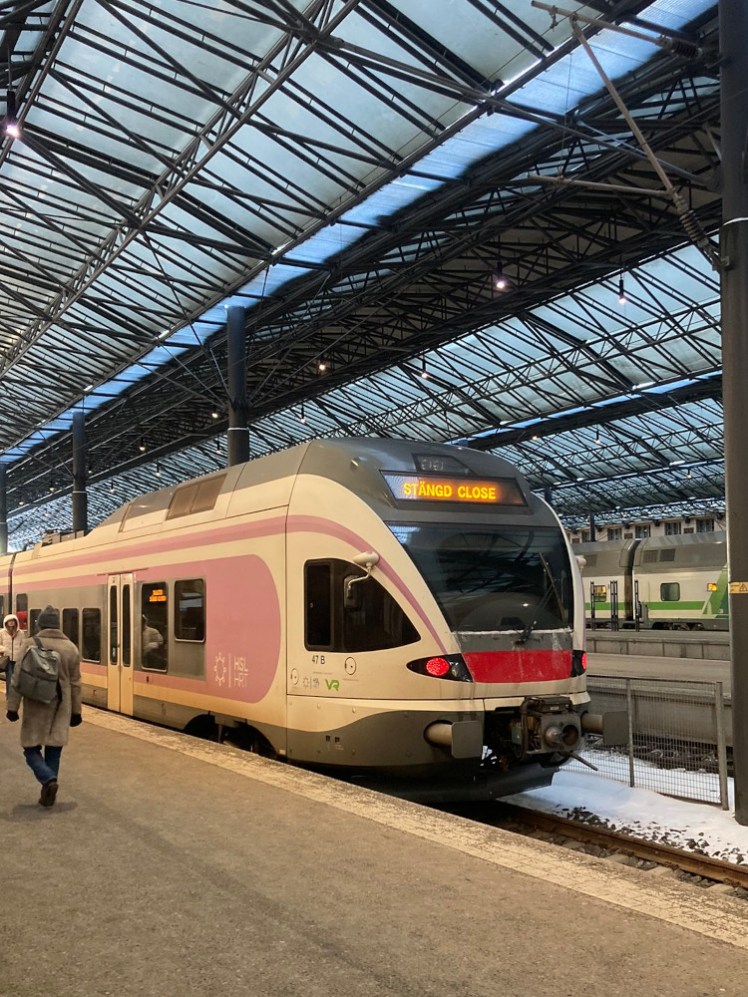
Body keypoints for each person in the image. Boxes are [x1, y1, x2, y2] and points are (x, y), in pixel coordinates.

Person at [6, 605, 82, 808]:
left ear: (40, 624)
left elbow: (17, 678)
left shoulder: (30, 644)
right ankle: (50, 787)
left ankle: (47, 780)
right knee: (54, 750)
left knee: (30, 749)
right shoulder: (71, 648)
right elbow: (75, 683)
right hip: (61, 706)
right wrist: (77, 712)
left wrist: (12, 707)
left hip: (36, 706)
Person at [0, 613, 26, 699]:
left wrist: (21, 653)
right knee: (9, 678)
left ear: (16, 622)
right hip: (7, 660)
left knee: (17, 678)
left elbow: (23, 645)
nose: (11, 623)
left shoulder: (21, 633)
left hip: (17, 659)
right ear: (6, 622)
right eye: (9, 621)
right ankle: (9, 697)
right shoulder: (2, 632)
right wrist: (4, 649)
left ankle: (16, 696)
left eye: (13, 621)